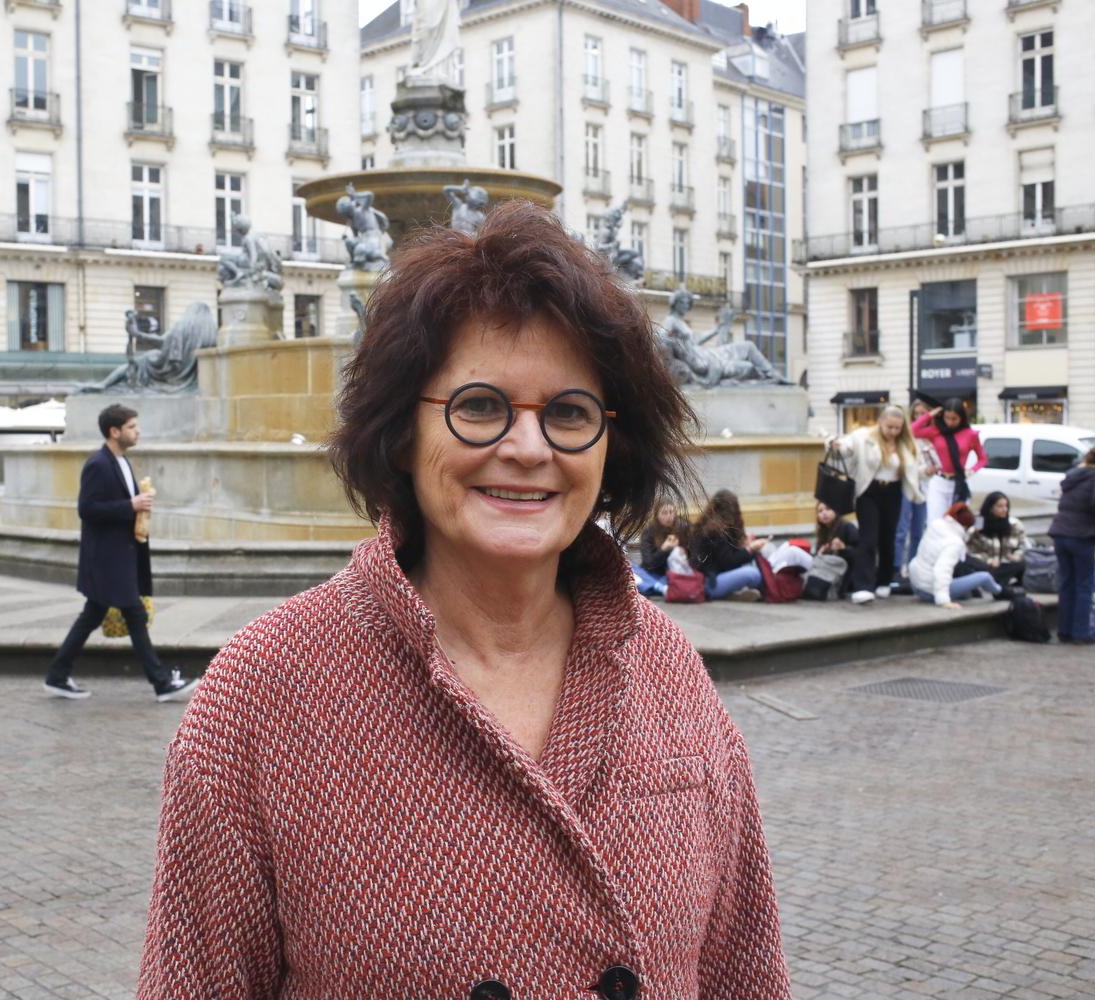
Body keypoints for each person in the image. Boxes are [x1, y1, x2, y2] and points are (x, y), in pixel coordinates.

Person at [137, 202, 789, 998]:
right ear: (403, 435)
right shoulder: (264, 691)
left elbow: (744, 973)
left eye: (570, 413)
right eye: (479, 405)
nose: (527, 448)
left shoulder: (668, 669)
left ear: (611, 445)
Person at [43, 404, 197, 703]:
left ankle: (57, 676)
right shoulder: (98, 464)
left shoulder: (121, 461)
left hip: (120, 557)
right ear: (115, 432)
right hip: (107, 560)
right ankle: (162, 683)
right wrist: (131, 506)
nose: (137, 431)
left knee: (92, 616)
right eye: (131, 427)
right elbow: (86, 509)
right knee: (135, 615)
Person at [829, 405, 923, 603]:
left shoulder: (905, 443)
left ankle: (883, 581)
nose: (893, 432)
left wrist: (927, 472)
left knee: (888, 538)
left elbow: (914, 469)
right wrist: (834, 444)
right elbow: (846, 448)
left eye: (897, 428)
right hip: (869, 491)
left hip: (893, 491)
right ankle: (864, 586)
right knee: (868, 538)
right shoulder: (864, 436)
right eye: (890, 427)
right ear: (880, 422)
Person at [1046, 445, 1095, 645]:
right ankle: (1080, 632)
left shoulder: (1073, 476)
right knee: (1084, 584)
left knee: (1067, 582)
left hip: (1060, 532)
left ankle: (1064, 630)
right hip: (1082, 535)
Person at [910, 502, 1002, 608]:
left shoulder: (936, 525)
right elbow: (942, 570)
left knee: (967, 592)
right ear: (965, 526)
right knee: (984, 577)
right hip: (930, 591)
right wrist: (944, 601)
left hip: (916, 583)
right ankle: (1001, 591)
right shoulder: (955, 542)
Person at [911, 399, 985, 521]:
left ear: (961, 417)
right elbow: (911, 430)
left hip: (959, 482)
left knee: (957, 523)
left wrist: (972, 470)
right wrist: (930, 414)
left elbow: (982, 459)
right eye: (947, 418)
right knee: (934, 523)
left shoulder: (970, 434)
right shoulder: (936, 430)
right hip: (939, 482)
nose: (950, 422)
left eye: (954, 418)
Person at [688, 489, 768, 599]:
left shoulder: (707, 526)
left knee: (758, 562)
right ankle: (734, 591)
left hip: (717, 578)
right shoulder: (715, 532)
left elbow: (726, 557)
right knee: (753, 574)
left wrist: (743, 546)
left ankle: (733, 593)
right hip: (710, 582)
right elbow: (727, 563)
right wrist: (749, 549)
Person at [893, 400, 938, 576]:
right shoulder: (908, 436)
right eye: (916, 414)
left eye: (923, 413)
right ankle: (896, 569)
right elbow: (912, 429)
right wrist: (928, 415)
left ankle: (913, 569)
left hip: (927, 486)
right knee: (901, 530)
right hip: (908, 484)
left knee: (918, 530)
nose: (920, 417)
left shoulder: (933, 434)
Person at [967, 491, 1029, 587]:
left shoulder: (1014, 525)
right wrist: (989, 561)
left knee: (1022, 564)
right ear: (991, 508)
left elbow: (1022, 545)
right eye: (1000, 506)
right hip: (986, 565)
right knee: (970, 563)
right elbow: (970, 550)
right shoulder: (979, 524)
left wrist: (1016, 556)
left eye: (1006, 506)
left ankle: (998, 581)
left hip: (1006, 565)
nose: (1004, 509)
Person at [633, 501, 690, 594]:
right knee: (631, 567)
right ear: (657, 515)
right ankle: (658, 587)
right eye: (664, 513)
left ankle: (654, 587)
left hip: (672, 574)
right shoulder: (649, 531)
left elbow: (693, 556)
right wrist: (663, 550)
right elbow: (648, 563)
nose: (669, 516)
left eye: (671, 512)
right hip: (653, 573)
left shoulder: (684, 527)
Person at [814, 499, 860, 594]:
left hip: (850, 576)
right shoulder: (823, 532)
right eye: (820, 511)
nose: (824, 513)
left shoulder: (847, 527)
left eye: (828, 509)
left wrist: (843, 549)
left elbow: (861, 554)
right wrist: (820, 554)